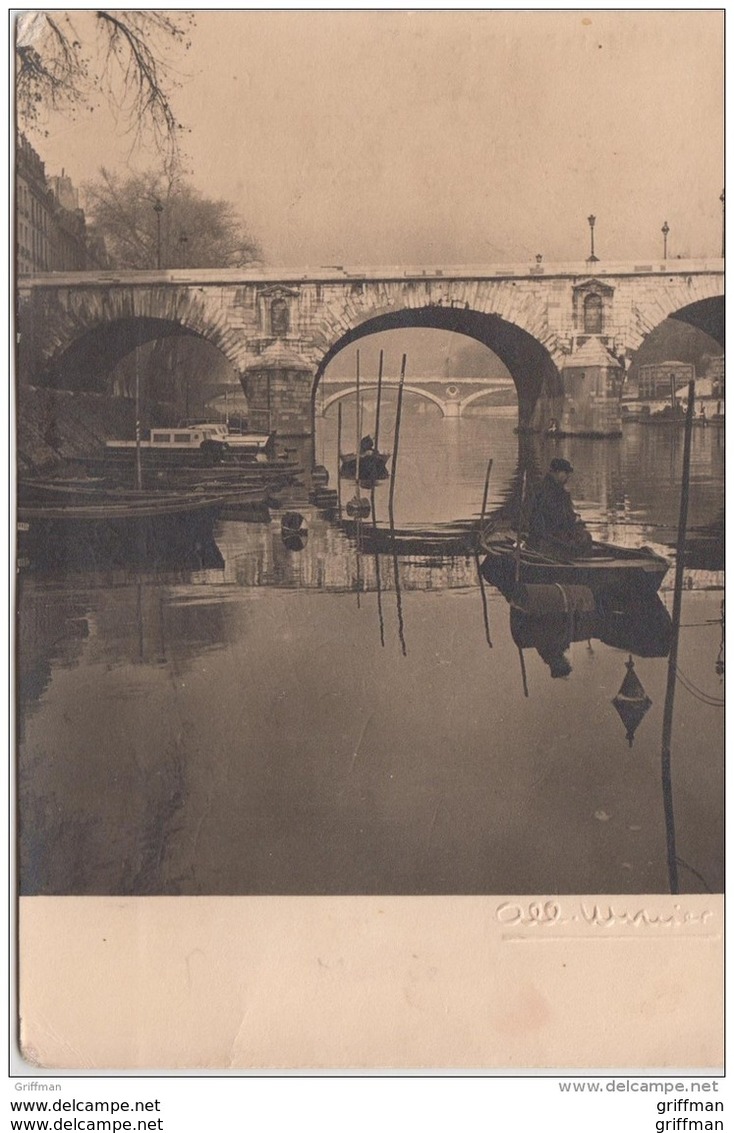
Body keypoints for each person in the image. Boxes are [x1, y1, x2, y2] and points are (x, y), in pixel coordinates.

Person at [525, 458, 592, 558]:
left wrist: (574, 518)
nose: (568, 476)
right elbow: (556, 517)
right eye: (565, 473)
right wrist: (574, 520)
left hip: (547, 533)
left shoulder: (544, 488)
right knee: (585, 538)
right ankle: (579, 562)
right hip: (549, 535)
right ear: (556, 472)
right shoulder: (553, 492)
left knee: (582, 536)